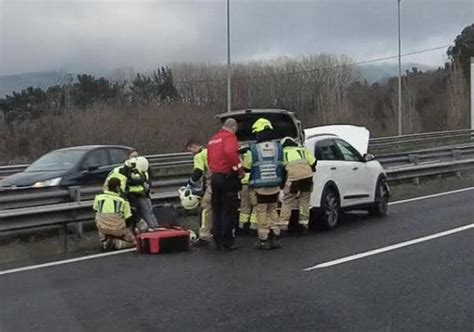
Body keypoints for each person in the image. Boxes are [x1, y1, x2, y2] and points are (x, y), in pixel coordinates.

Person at [243, 118, 284, 250]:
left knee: (261, 212)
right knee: (273, 210)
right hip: (275, 185)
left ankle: (263, 239)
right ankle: (276, 237)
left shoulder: (253, 149)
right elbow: (281, 165)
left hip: (259, 187)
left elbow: (247, 167)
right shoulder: (279, 147)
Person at [207, 118, 243, 250]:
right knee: (229, 209)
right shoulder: (230, 137)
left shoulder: (213, 139)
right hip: (227, 177)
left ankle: (216, 238)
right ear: (233, 128)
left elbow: (209, 158)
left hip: (215, 177)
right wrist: (239, 170)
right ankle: (226, 240)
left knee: (217, 209)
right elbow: (230, 153)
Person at [104, 156, 159, 230]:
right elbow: (120, 189)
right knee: (130, 216)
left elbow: (142, 179)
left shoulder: (136, 169)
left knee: (146, 211)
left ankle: (153, 229)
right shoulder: (121, 173)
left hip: (135, 195)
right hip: (117, 196)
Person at [279, 136, 317, 232]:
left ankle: (283, 224)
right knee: (304, 200)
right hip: (307, 176)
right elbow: (313, 161)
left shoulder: (283, 152)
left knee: (287, 200)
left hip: (293, 178)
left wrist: (282, 184)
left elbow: (281, 168)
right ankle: (304, 223)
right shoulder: (302, 150)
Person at [93, 177, 136, 251]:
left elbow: (95, 208)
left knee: (99, 215)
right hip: (118, 229)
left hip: (103, 229)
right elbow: (128, 217)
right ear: (117, 187)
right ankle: (116, 243)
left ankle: (104, 241)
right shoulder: (122, 199)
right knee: (134, 242)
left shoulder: (98, 196)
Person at [185, 140, 213, 243]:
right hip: (222, 182)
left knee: (205, 207)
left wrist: (190, 183)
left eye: (190, 150)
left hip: (212, 184)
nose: (191, 153)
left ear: (195, 147)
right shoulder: (209, 151)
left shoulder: (199, 156)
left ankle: (204, 235)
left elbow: (198, 171)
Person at [238, 147, 257, 234]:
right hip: (254, 182)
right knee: (256, 204)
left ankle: (242, 225)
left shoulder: (240, 155)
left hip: (244, 183)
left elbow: (244, 167)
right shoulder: (255, 152)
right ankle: (253, 226)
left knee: (244, 205)